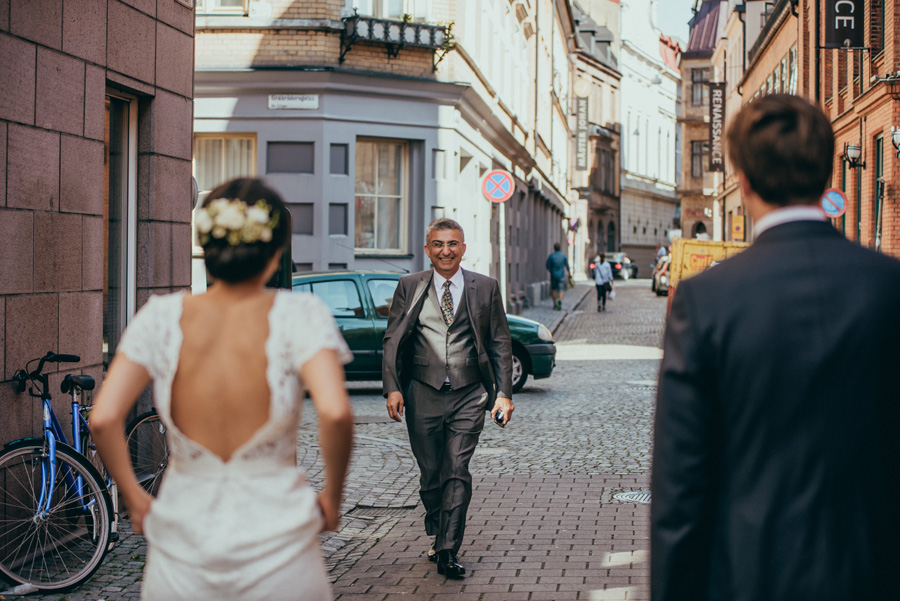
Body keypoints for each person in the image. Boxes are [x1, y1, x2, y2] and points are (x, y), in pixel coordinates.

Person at [651, 94, 900, 601]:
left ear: (743, 180)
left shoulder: (706, 299)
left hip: (749, 573)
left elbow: (681, 484)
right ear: (827, 172)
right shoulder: (888, 286)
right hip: (874, 570)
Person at [90, 178, 354, 601]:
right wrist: (332, 499)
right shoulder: (299, 314)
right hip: (280, 542)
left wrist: (136, 500)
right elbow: (337, 413)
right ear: (274, 251)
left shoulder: (160, 317)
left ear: (206, 246)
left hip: (183, 545)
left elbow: (103, 418)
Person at [382, 218, 514, 579]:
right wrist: (393, 387)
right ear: (427, 250)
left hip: (469, 393)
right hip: (421, 391)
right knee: (430, 475)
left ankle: (447, 549)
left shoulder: (485, 287)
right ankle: (437, 527)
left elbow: (500, 342)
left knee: (456, 471)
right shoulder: (410, 286)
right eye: (438, 244)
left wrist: (502, 393)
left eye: (452, 243)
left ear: (463, 248)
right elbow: (393, 340)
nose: (446, 251)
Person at [545, 242, 570, 310]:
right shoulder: (563, 256)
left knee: (554, 290)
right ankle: (560, 300)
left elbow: (547, 266)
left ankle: (555, 304)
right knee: (561, 290)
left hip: (553, 275)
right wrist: (569, 273)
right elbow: (567, 266)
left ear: (554, 248)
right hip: (561, 275)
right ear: (560, 248)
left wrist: (551, 271)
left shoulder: (551, 256)